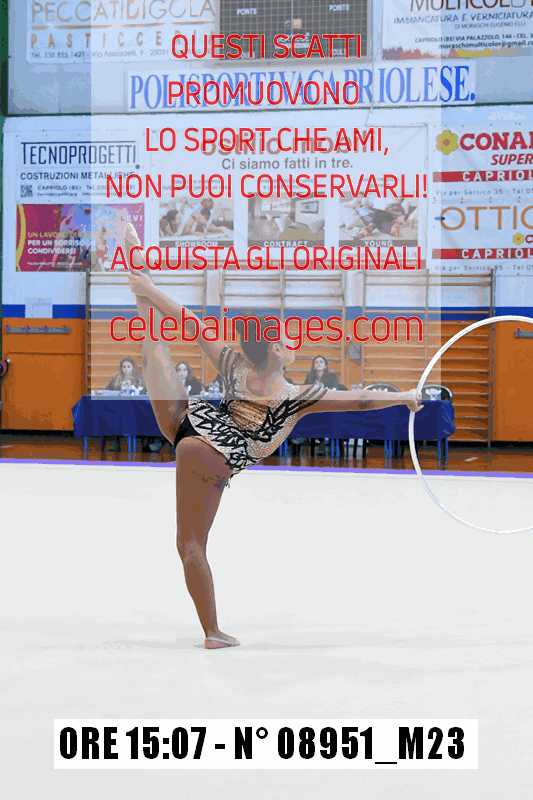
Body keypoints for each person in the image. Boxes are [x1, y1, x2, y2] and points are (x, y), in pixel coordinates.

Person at [124, 224, 422, 650]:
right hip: (210, 454)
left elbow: (192, 323)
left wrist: (153, 291)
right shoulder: (296, 397)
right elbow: (359, 401)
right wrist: (405, 397)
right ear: (277, 351)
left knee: (155, 346)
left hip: (184, 423)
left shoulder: (233, 363)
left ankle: (140, 278)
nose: (291, 342)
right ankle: (213, 634)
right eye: (285, 340)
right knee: (191, 545)